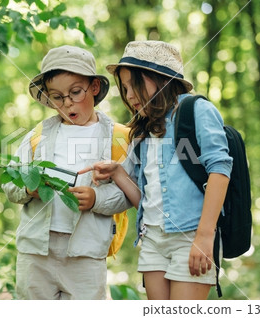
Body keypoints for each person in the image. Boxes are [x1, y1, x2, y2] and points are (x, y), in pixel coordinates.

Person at [79, 40, 233, 300]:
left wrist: (205, 237)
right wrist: (118, 172)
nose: (128, 96)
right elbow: (144, 202)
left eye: (134, 85)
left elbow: (220, 169)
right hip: (152, 240)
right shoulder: (143, 131)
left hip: (191, 235)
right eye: (124, 88)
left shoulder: (197, 110)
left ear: (160, 79)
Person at [2, 45, 131, 300]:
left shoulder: (118, 138)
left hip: (86, 252)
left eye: (75, 92)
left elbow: (128, 194)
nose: (67, 102)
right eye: (57, 97)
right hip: (36, 252)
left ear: (94, 88)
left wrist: (97, 199)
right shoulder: (36, 137)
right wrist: (28, 189)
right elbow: (10, 183)